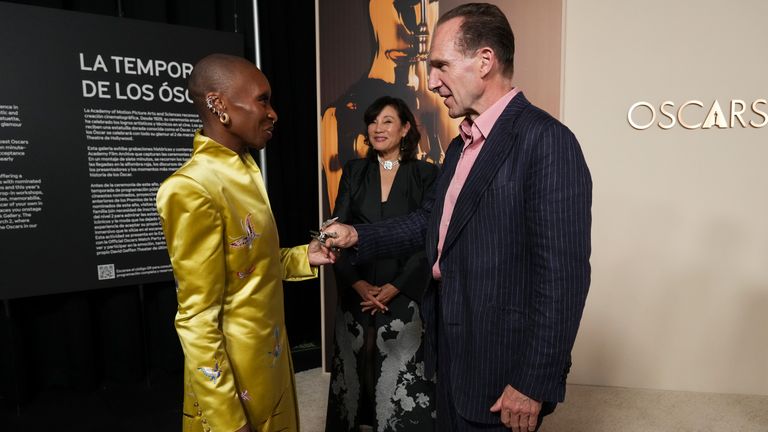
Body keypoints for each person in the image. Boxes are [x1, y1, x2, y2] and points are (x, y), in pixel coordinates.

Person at [321, 4, 592, 431]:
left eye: (441, 66)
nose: (431, 82)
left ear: (485, 61)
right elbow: (428, 224)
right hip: (449, 351)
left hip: (503, 370)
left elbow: (564, 279)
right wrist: (355, 235)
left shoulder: (546, 141)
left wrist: (532, 383)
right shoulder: (460, 146)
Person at [156, 54, 334, 432]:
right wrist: (228, 421)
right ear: (219, 105)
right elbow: (196, 319)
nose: (273, 113)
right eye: (262, 100)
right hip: (233, 380)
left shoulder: (243, 170)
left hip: (270, 363)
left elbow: (251, 265)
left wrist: (307, 256)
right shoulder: (191, 187)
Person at [324, 96, 439, 432]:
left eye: (388, 121)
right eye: (373, 121)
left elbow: (426, 236)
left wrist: (397, 286)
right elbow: (337, 229)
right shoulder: (354, 171)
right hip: (357, 284)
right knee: (355, 363)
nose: (378, 128)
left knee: (399, 369)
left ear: (405, 129)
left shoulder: (426, 174)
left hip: (405, 285)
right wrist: (357, 283)